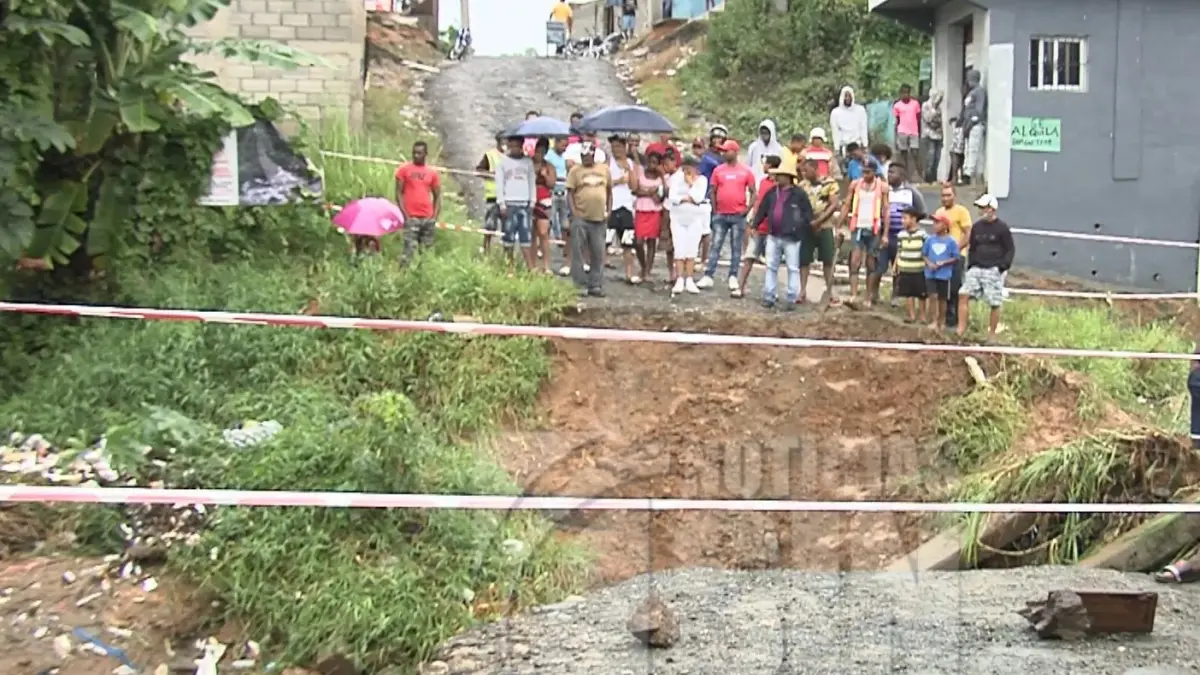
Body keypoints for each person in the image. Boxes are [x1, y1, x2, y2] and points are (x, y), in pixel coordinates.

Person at [749, 158, 813, 310]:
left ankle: (791, 297)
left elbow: (808, 214)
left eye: (781, 175)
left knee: (792, 267)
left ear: (788, 177)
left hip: (792, 237)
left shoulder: (799, 194)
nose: (777, 178)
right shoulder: (773, 192)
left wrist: (799, 227)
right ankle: (769, 295)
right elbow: (763, 209)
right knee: (771, 265)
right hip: (774, 234)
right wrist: (755, 224)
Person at [699, 139, 755, 297]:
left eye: (726, 151)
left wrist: (748, 209)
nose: (723, 153)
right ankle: (709, 275)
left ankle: (732, 276)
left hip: (738, 214)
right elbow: (713, 190)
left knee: (736, 247)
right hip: (721, 214)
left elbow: (753, 192)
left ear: (735, 152)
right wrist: (716, 210)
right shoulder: (718, 170)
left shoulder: (746, 171)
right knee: (715, 245)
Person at [957, 194, 1014, 341]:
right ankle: (961, 329)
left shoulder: (1002, 228)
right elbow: (973, 247)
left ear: (992, 209)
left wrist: (1002, 267)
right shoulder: (977, 227)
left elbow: (1009, 249)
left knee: (994, 302)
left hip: (993, 268)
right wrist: (971, 265)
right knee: (963, 294)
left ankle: (992, 334)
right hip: (977, 267)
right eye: (980, 208)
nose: (981, 211)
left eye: (983, 208)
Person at [566, 142, 612, 297]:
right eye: (583, 156)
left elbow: (609, 190)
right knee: (578, 251)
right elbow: (570, 193)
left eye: (588, 155)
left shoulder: (604, 169)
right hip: (581, 217)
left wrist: (609, 209)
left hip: (599, 217)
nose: (585, 158)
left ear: (593, 155)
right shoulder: (575, 171)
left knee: (598, 252)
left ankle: (595, 284)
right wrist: (574, 212)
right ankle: (579, 285)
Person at [842, 161, 888, 306]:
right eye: (863, 171)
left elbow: (886, 210)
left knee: (871, 262)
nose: (865, 175)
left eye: (868, 172)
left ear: (874, 172)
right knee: (855, 260)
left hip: (874, 227)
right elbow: (847, 204)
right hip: (858, 226)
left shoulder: (882, 187)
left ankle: (868, 296)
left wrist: (885, 233)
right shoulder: (855, 185)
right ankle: (854, 294)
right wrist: (840, 224)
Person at [880, 163, 926, 305]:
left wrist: (909, 225)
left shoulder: (912, 192)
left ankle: (896, 296)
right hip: (885, 234)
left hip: (903, 236)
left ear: (902, 175)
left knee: (899, 267)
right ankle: (873, 295)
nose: (889, 175)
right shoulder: (885, 190)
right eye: (888, 172)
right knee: (879, 265)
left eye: (893, 173)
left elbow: (922, 211)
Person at [799, 158, 840, 306]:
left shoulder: (830, 183)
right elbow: (800, 205)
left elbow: (833, 204)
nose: (804, 173)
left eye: (806, 170)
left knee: (828, 260)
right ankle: (802, 290)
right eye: (802, 170)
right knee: (804, 259)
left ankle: (830, 291)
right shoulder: (802, 186)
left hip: (825, 225)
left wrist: (819, 221)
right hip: (807, 225)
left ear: (815, 169)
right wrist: (809, 221)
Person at [737, 154, 779, 297]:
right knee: (749, 256)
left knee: (771, 261)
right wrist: (754, 220)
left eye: (766, 163)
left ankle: (770, 291)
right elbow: (759, 204)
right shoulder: (763, 181)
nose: (764, 166)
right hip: (759, 225)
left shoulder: (779, 185)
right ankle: (740, 287)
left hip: (773, 228)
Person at [667, 156, 710, 295]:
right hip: (678, 218)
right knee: (679, 249)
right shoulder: (676, 178)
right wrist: (685, 198)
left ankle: (690, 279)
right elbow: (672, 197)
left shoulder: (702, 180)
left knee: (691, 249)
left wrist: (691, 184)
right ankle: (679, 279)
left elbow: (698, 198)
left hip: (695, 218)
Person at [395, 140, 442, 266]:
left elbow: (437, 196)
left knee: (426, 254)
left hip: (427, 218)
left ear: (425, 154)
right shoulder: (403, 170)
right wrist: (405, 215)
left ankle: (423, 278)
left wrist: (434, 218)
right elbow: (398, 193)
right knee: (408, 253)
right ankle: (403, 278)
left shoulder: (432, 173)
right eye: (414, 153)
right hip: (411, 217)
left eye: (419, 153)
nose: (416, 156)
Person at [933, 183, 972, 327]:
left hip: (956, 255)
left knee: (955, 287)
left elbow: (967, 233)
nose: (945, 198)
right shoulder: (939, 212)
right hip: (940, 256)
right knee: (942, 287)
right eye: (943, 195)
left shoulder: (961, 211)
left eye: (948, 195)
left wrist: (956, 250)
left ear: (954, 196)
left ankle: (955, 319)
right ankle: (943, 317)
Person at [495, 136, 537, 272]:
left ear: (521, 146)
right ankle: (509, 267)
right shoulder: (503, 163)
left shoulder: (528, 163)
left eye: (516, 146)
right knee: (509, 236)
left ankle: (530, 268)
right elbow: (499, 184)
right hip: (509, 203)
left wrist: (532, 201)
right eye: (511, 146)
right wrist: (501, 203)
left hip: (524, 204)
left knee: (526, 237)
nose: (514, 149)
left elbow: (532, 182)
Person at [607, 136, 641, 283]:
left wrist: (629, 170)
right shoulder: (607, 163)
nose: (616, 150)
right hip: (611, 204)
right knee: (606, 240)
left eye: (619, 147)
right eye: (614, 147)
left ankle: (629, 273)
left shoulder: (631, 164)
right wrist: (617, 181)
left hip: (626, 206)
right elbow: (605, 183)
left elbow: (634, 186)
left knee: (627, 242)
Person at [923, 213, 960, 330]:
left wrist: (944, 263)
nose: (934, 225)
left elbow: (956, 257)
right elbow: (924, 254)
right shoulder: (929, 240)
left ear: (945, 226)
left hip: (944, 275)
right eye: (934, 223)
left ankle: (941, 321)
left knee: (942, 298)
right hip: (930, 273)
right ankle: (934, 320)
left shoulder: (951, 241)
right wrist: (929, 263)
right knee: (932, 296)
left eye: (938, 223)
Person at [892, 206, 929, 323]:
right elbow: (899, 250)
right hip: (905, 267)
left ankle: (923, 316)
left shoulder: (923, 235)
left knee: (921, 294)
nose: (902, 221)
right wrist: (895, 265)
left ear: (914, 219)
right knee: (908, 293)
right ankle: (911, 315)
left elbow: (926, 251)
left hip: (919, 268)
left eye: (905, 218)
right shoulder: (901, 235)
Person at [634, 151, 666, 282]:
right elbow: (635, 190)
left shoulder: (660, 178)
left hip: (654, 211)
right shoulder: (640, 173)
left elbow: (662, 196)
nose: (651, 165)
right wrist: (650, 192)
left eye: (655, 163)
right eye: (650, 162)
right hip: (641, 209)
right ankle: (643, 265)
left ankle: (648, 270)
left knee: (651, 241)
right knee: (638, 241)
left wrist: (663, 176)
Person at [531, 138, 558, 274]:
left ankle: (547, 265)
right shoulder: (528, 164)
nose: (539, 154)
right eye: (538, 151)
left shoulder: (549, 166)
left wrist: (544, 175)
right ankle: (533, 264)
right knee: (532, 233)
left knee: (543, 232)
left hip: (544, 198)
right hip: (530, 197)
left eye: (542, 151)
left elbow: (552, 183)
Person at [476, 134, 505, 254]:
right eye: (504, 140)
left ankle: (506, 252)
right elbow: (479, 170)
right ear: (498, 141)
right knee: (490, 225)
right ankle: (485, 248)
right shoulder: (490, 155)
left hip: (508, 196)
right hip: (493, 196)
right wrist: (490, 174)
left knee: (506, 227)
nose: (506, 143)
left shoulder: (511, 157)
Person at [546, 137, 571, 275]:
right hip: (552, 191)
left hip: (564, 190)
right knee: (550, 219)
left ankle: (564, 245)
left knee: (565, 222)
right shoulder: (548, 156)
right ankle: (547, 246)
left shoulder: (566, 157)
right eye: (562, 145)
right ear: (556, 143)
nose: (564, 148)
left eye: (566, 146)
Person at [830, 85, 869, 160]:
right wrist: (836, 148)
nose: (847, 98)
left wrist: (865, 145)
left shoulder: (860, 110)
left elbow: (863, 128)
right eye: (845, 96)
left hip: (857, 145)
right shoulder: (835, 112)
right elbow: (835, 131)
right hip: (843, 147)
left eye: (849, 96)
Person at [962, 69, 987, 185]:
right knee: (967, 148)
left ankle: (968, 173)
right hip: (968, 124)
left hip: (975, 124)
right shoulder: (971, 92)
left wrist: (971, 122)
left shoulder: (979, 91)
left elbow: (979, 110)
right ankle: (965, 170)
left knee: (973, 148)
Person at [658, 150, 678, 285]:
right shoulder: (664, 178)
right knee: (668, 246)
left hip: (677, 212)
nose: (666, 166)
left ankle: (678, 272)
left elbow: (669, 192)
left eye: (668, 163)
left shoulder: (680, 177)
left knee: (678, 245)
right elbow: (662, 194)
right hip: (666, 211)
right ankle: (671, 272)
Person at [892, 84, 921, 178]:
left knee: (915, 153)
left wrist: (919, 130)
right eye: (903, 93)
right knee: (903, 154)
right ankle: (905, 175)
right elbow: (896, 120)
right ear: (900, 94)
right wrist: (896, 135)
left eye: (907, 92)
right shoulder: (897, 105)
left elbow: (918, 117)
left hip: (913, 131)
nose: (906, 95)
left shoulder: (915, 104)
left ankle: (918, 174)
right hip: (902, 131)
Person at [747, 119, 783, 184]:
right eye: (762, 132)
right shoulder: (753, 147)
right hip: (756, 181)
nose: (764, 135)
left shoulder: (778, 148)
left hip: (772, 183)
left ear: (771, 132)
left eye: (766, 132)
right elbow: (748, 165)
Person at [921, 91, 944, 183]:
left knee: (937, 157)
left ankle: (934, 177)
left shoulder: (939, 108)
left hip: (938, 135)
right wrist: (933, 110)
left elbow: (940, 122)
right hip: (929, 135)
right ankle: (928, 177)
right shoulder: (926, 106)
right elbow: (928, 118)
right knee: (930, 157)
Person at [948, 117, 966, 185]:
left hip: (956, 150)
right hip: (959, 149)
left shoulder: (957, 130)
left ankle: (955, 179)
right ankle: (958, 179)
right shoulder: (961, 130)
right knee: (959, 166)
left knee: (955, 166)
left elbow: (957, 141)